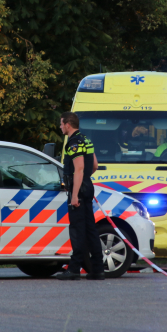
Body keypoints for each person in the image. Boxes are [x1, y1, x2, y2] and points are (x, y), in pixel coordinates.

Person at [56, 111, 106, 281]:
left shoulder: (74, 143)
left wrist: (75, 194)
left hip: (79, 190)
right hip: (88, 187)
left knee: (77, 229)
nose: (60, 126)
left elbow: (78, 169)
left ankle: (74, 269)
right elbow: (95, 165)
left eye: (62, 124)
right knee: (90, 229)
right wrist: (85, 180)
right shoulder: (86, 139)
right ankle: (98, 269)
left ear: (68, 125)